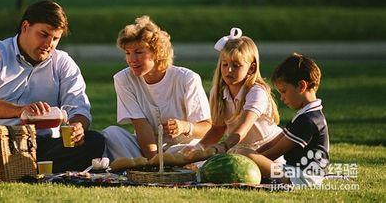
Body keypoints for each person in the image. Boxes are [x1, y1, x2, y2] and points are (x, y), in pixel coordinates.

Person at [0, 0, 105, 172]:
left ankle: (17, 168)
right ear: (25, 27)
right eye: (43, 35)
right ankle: (28, 168)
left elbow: (78, 108)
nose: (49, 44)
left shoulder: (63, 62)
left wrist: (77, 126)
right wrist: (20, 111)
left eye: (55, 38)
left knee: (94, 140)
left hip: (42, 144)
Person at [102, 16, 211, 160]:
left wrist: (185, 127)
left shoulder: (187, 78)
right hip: (146, 149)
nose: (132, 59)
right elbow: (141, 126)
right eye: (128, 53)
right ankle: (149, 167)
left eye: (139, 52)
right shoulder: (123, 79)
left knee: (191, 150)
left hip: (181, 149)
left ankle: (154, 166)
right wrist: (154, 161)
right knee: (111, 134)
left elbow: (207, 127)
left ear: (157, 52)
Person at [184, 28, 282, 158]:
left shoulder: (256, 92)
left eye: (236, 65)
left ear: (251, 68)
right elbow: (218, 128)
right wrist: (198, 147)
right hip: (241, 153)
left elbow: (244, 127)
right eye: (225, 64)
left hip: (270, 151)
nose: (229, 70)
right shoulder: (218, 91)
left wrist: (224, 146)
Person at [240, 53, 330, 187]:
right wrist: (254, 155)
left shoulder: (309, 120)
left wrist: (250, 160)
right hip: (292, 171)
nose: (282, 98)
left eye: (283, 91)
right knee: (245, 153)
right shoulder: (304, 114)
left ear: (301, 86)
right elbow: (274, 142)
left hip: (303, 177)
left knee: (245, 154)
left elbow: (276, 151)